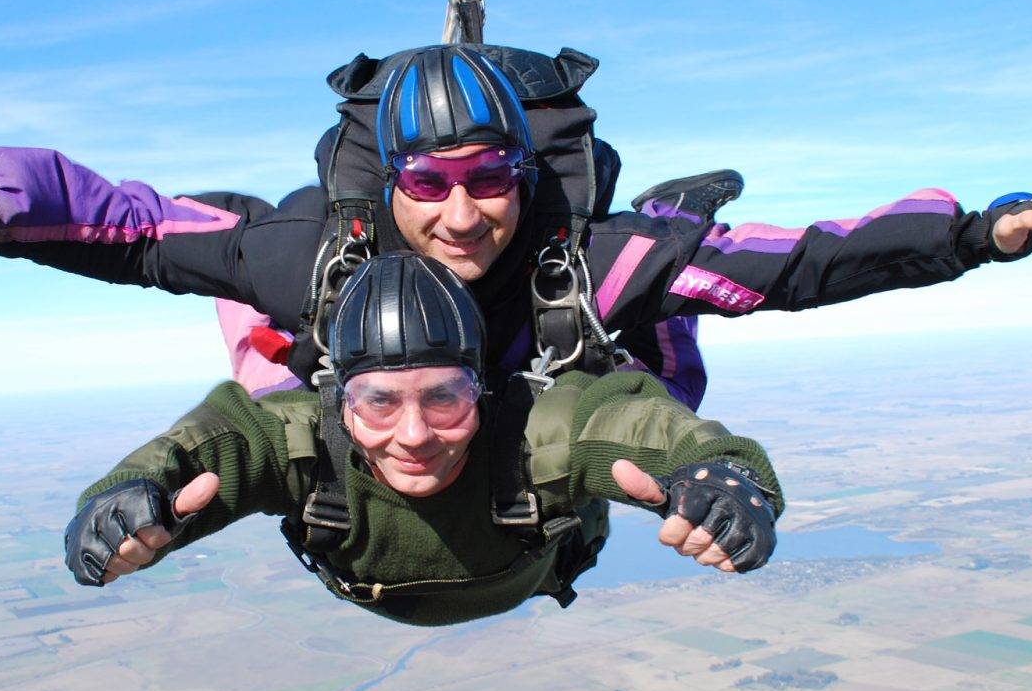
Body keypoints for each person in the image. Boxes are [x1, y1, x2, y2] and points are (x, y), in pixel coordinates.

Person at [0, 44, 1032, 409]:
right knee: (244, 292)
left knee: (677, 276)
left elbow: (801, 265)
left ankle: (678, 204)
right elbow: (142, 235)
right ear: (388, 185)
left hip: (563, 367)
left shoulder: (599, 261)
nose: (464, 212)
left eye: (491, 178)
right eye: (429, 183)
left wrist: (986, 233)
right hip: (371, 363)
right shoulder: (317, 258)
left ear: (527, 173)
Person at [62, 253, 783, 627]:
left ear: (483, 391)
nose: (413, 435)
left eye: (444, 397)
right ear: (339, 401)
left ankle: (666, 237)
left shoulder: (533, 436)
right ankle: (249, 280)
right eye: (378, 402)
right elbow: (224, 439)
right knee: (260, 374)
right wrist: (126, 500)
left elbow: (625, 422)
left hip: (528, 560)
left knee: (660, 384)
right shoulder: (307, 438)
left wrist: (721, 477)